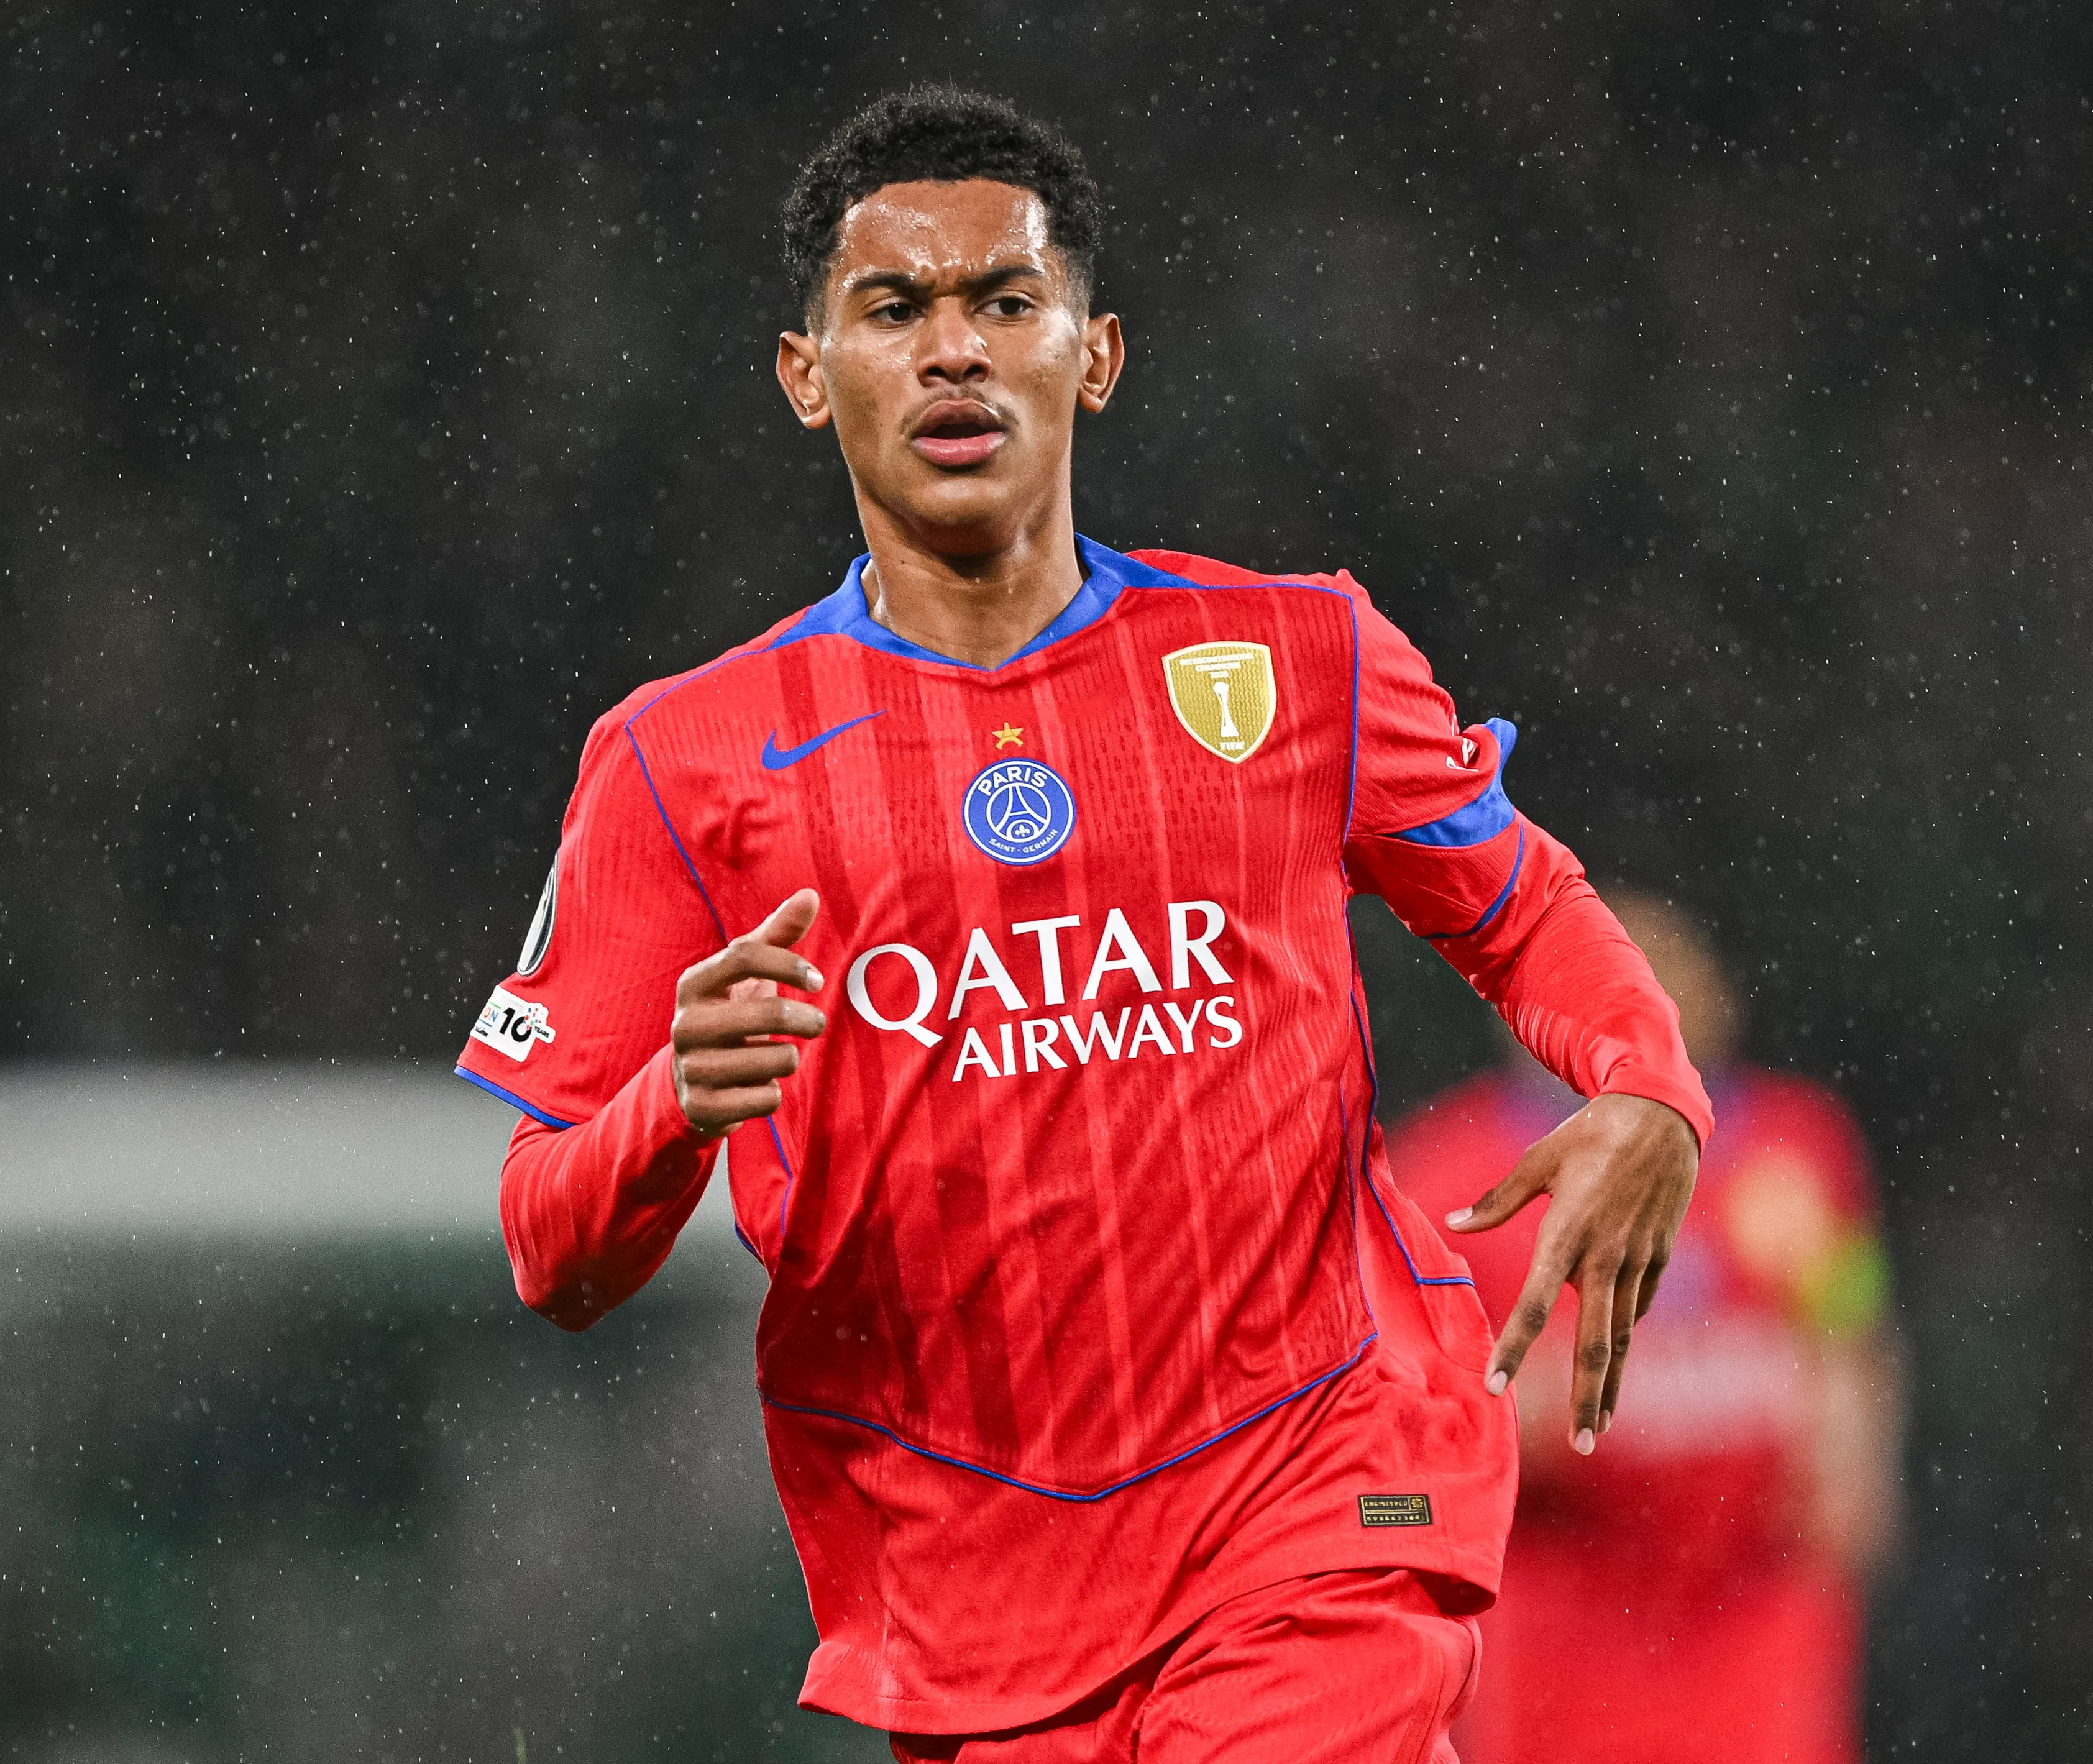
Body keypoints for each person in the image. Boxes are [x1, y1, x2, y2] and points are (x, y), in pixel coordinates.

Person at [454, 87, 1712, 1762]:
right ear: (805, 373)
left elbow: (1521, 903)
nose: (954, 350)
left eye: (1004, 301)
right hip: (969, 1590)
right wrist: (670, 1106)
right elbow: (551, 1246)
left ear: (1093, 352)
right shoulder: (681, 761)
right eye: (895, 309)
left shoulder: (1291, 658)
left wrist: (1645, 1079)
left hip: (1316, 1490)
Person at [1390, 893, 1903, 1764]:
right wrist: (1513, 1425)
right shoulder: (1449, 1174)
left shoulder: (1796, 1149)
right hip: (1559, 1637)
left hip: (1758, 1618)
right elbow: (1400, 1451)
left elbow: (1853, 1322)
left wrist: (1858, 1443)